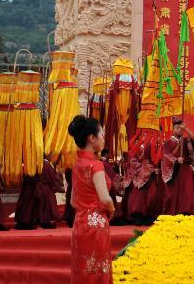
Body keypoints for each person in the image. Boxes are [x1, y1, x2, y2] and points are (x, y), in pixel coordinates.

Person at [68, 115, 115, 284]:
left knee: (83, 271)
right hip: (96, 225)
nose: (103, 138)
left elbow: (73, 201)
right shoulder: (96, 165)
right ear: (91, 138)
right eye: (101, 135)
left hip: (79, 224)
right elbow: (105, 198)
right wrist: (111, 209)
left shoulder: (77, 165)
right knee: (98, 272)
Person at [161, 118, 194, 215]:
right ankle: (173, 214)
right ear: (173, 130)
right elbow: (166, 155)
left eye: (180, 128)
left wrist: (186, 129)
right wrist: (176, 160)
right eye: (177, 128)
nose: (179, 130)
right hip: (174, 171)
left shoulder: (186, 140)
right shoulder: (167, 142)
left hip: (186, 170)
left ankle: (187, 213)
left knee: (189, 193)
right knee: (172, 195)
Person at [127, 136, 161, 225]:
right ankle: (138, 216)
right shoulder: (138, 148)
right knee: (139, 197)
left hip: (151, 174)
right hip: (140, 174)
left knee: (152, 195)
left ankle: (150, 216)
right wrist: (150, 169)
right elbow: (133, 162)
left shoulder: (157, 145)